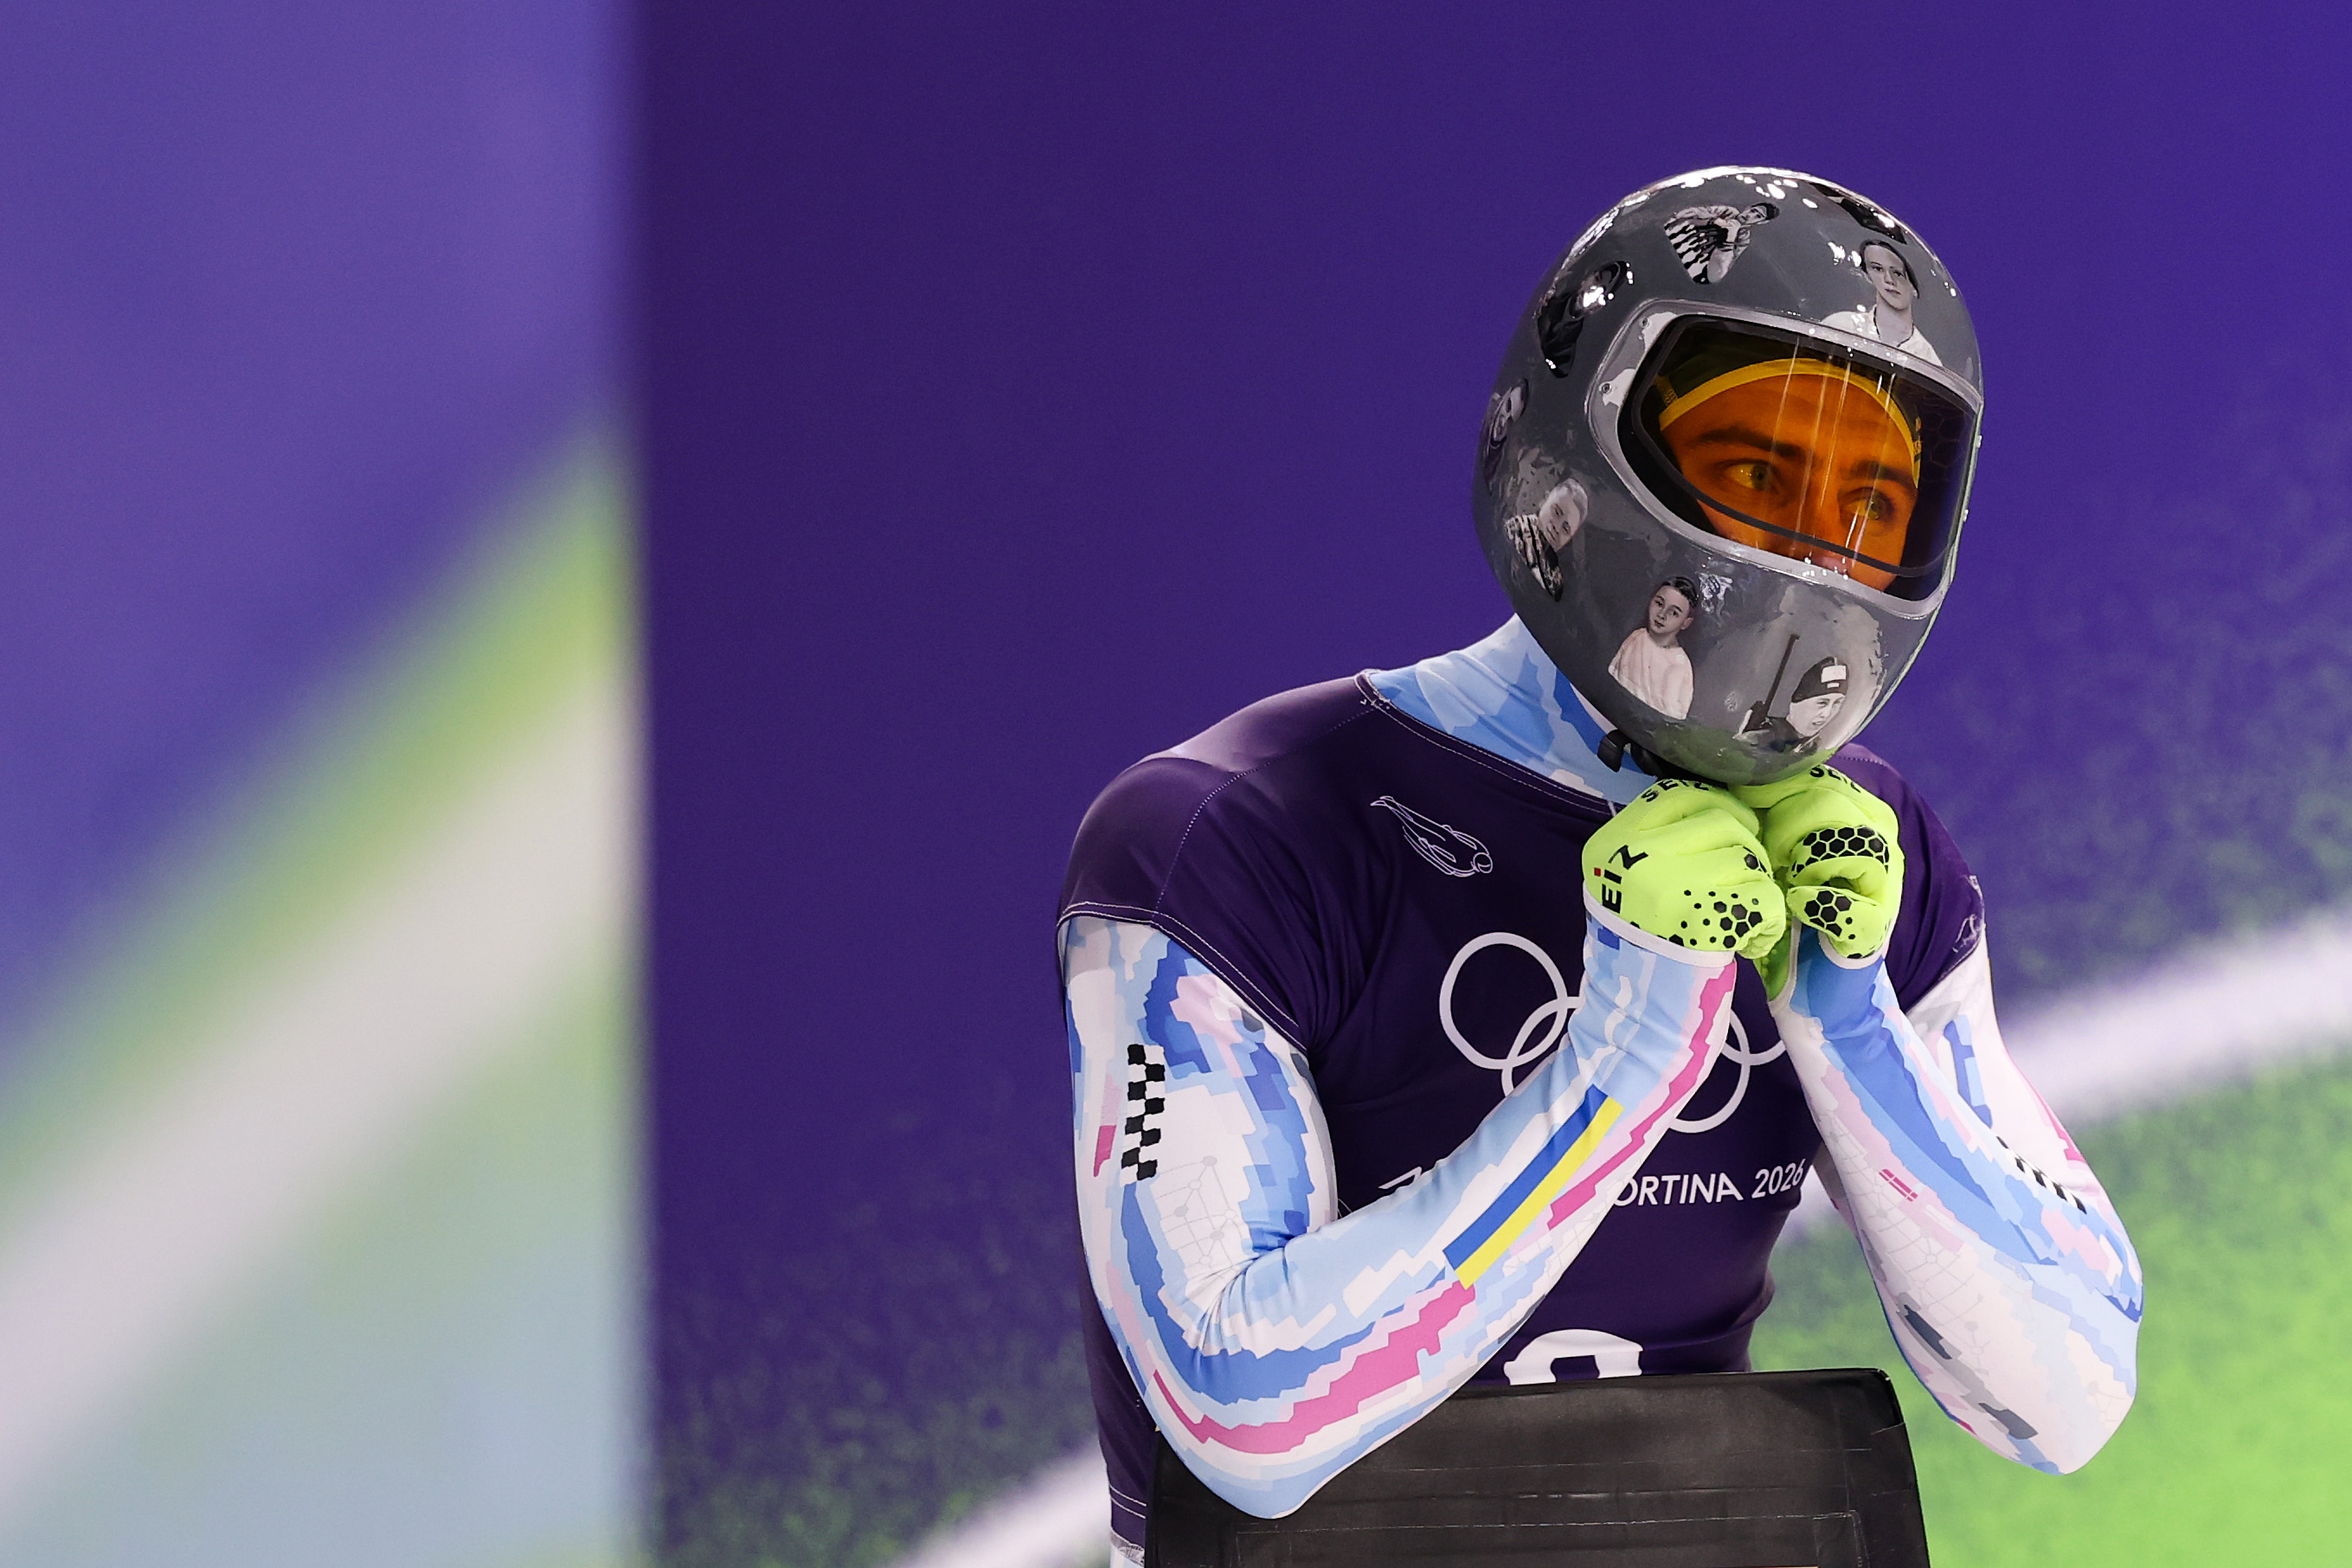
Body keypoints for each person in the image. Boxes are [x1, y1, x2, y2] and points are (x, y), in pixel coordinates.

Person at [1063, 168, 2138, 1564]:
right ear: (1577, 439)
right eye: (1753, 472)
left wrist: (1845, 1019)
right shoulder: (1228, 832)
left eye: (1872, 506)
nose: (1812, 552)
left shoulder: (1865, 859)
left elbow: (2062, 1401)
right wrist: (1623, 1055)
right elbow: (1238, 1419)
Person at [1822, 239, 1943, 365]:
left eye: (1897, 273)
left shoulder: (1927, 358)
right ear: (1867, 276)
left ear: (1914, 287)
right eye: (1878, 269)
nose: (1889, 280)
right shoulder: (1840, 327)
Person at [1607, 577, 1699, 718]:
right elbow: (1613, 673)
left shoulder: (1679, 666)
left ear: (1686, 623)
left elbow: (1671, 716)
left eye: (1674, 613)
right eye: (1659, 604)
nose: (1662, 615)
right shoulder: (1637, 637)